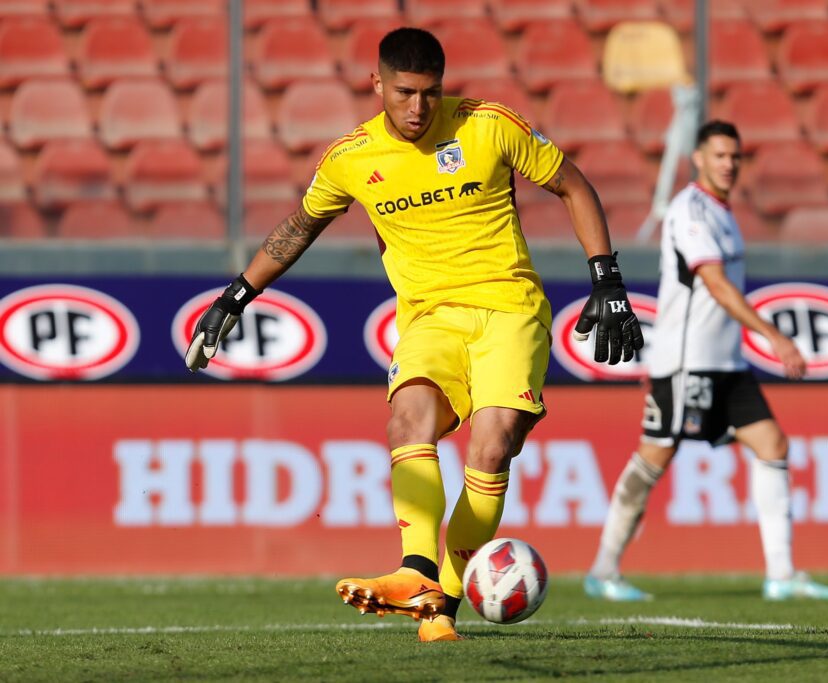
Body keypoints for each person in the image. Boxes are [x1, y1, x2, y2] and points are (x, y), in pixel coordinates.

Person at [185, 28, 644, 641]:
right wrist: (234, 297)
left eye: (430, 93)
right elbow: (299, 226)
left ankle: (440, 606)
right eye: (404, 93)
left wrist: (606, 281)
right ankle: (417, 571)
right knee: (408, 418)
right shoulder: (352, 157)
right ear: (377, 84)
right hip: (429, 317)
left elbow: (572, 185)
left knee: (494, 442)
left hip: (509, 308)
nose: (418, 108)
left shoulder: (489, 124)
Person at [584, 120, 828, 603]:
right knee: (654, 458)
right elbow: (716, 284)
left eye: (735, 157)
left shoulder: (723, 212)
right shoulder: (691, 210)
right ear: (699, 158)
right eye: (720, 155)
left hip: (726, 362)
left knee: (772, 443)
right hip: (688, 362)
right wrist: (772, 335)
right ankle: (604, 570)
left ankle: (782, 575)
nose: (728, 164)